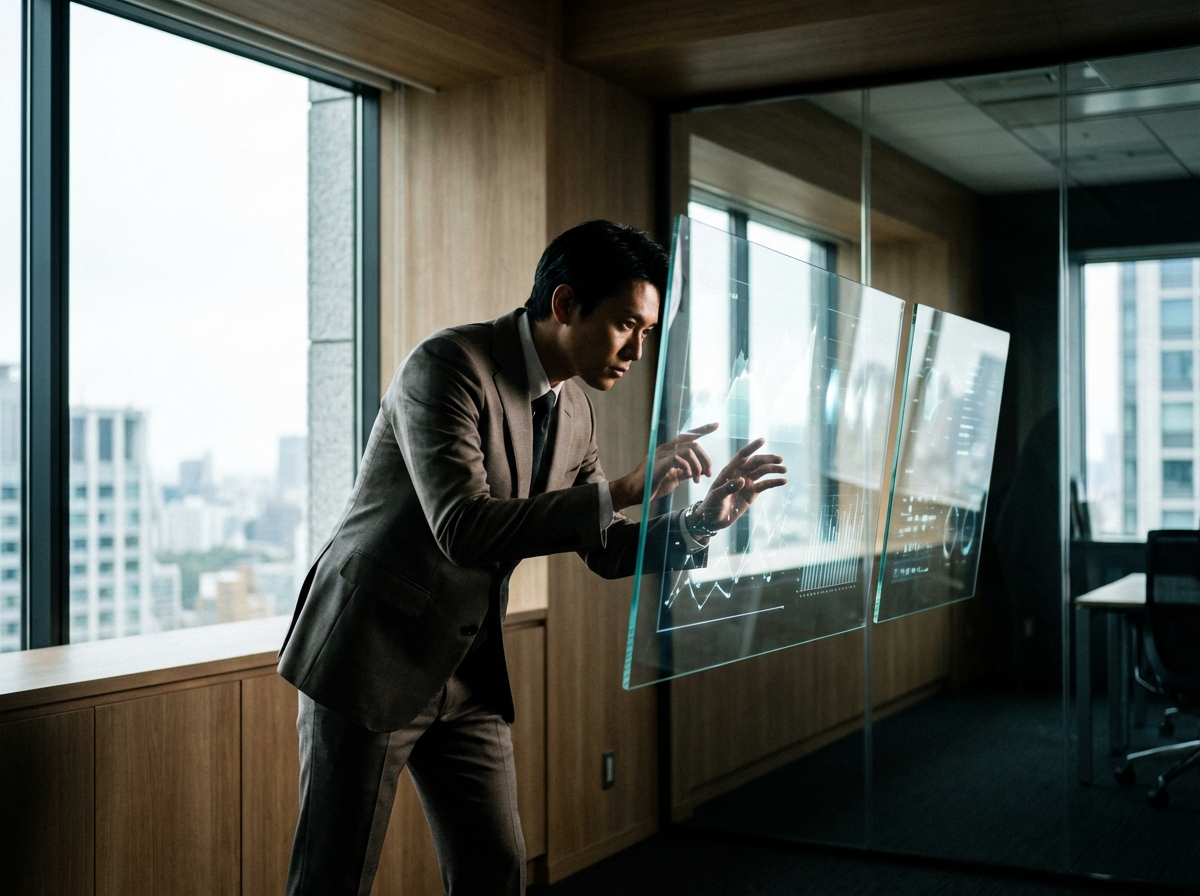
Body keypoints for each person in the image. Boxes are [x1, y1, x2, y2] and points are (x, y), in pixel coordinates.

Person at [277, 220, 786, 895]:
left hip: (466, 675)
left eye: (648, 333)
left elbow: (601, 546)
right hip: (371, 653)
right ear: (566, 304)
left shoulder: (575, 410)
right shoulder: (447, 366)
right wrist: (627, 487)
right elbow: (461, 527)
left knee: (496, 870)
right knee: (331, 879)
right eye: (626, 325)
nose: (637, 351)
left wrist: (697, 523)